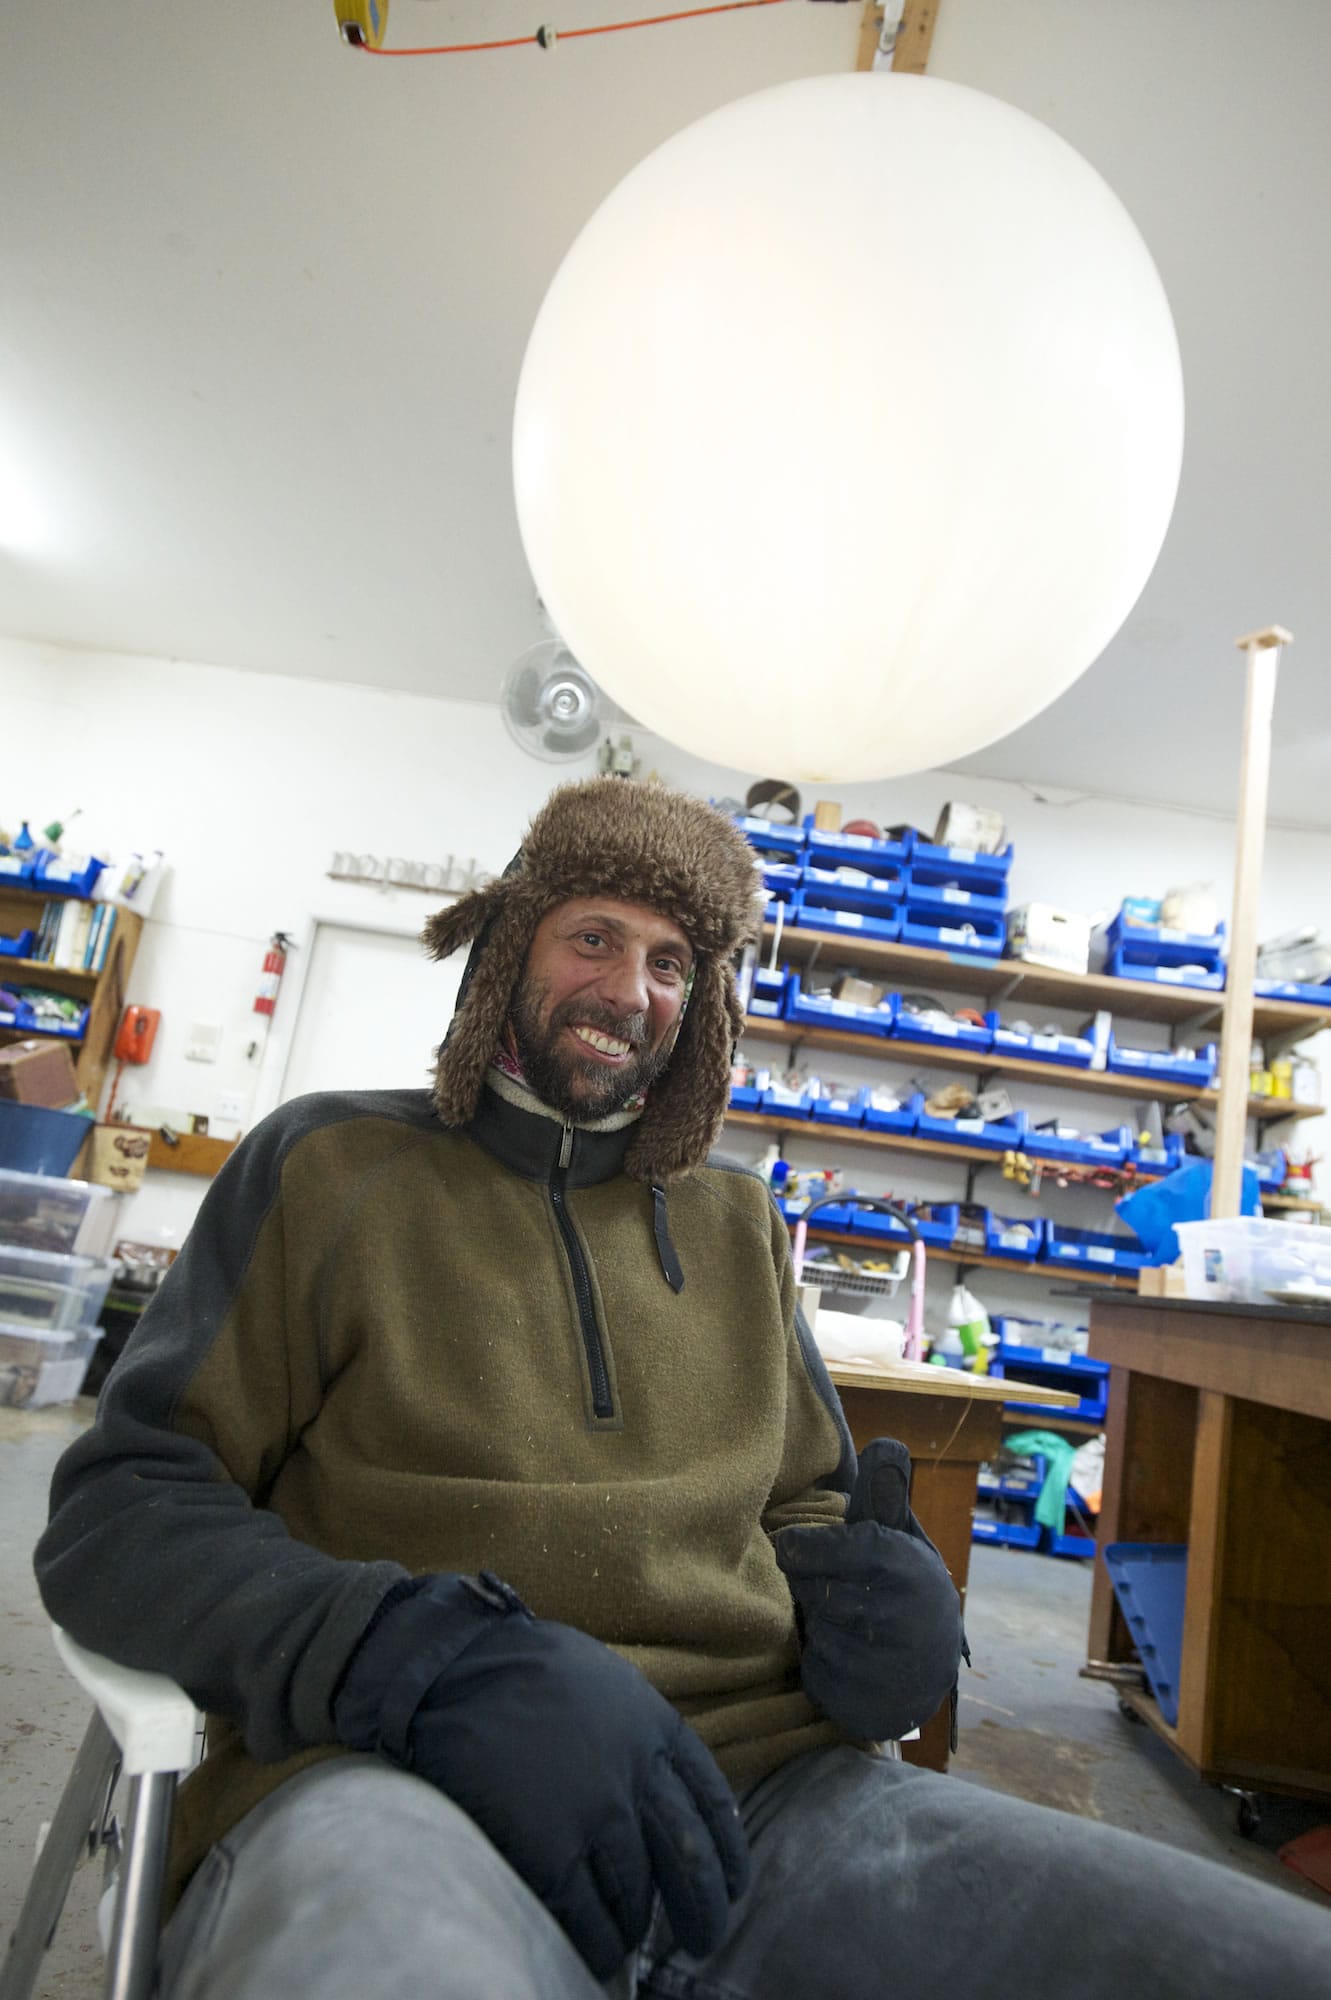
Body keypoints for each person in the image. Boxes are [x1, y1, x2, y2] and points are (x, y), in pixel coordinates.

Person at [34, 779, 1327, 2000]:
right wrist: (425, 1662)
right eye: (593, 938)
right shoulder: (326, 1171)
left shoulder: (735, 1226)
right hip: (395, 1782)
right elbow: (125, 1514)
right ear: (507, 947)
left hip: (760, 1806)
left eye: (669, 964)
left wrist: (883, 1604)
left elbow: (808, 1508)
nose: (631, 990)